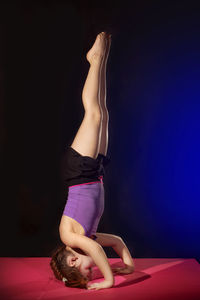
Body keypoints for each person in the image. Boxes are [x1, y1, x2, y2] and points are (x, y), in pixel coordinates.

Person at [50, 32, 135, 291]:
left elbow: (97, 249)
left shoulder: (70, 236)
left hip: (79, 173)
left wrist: (109, 281)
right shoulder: (87, 237)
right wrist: (128, 264)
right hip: (94, 173)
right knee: (104, 112)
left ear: (74, 260)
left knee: (95, 114)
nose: (94, 271)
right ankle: (103, 57)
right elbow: (117, 241)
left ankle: (95, 59)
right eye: (96, 274)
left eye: (89, 272)